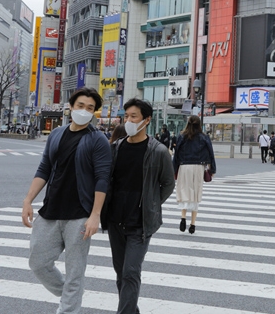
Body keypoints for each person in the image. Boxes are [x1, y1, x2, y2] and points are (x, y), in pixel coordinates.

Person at [21, 87, 111, 314]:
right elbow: (44, 168)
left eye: (90, 108)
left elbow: (102, 179)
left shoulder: (97, 139)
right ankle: (71, 294)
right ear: (71, 106)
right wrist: (28, 200)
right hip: (51, 209)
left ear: (94, 113)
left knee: (75, 271)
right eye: (80, 106)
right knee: (38, 262)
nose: (84, 110)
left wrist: (95, 215)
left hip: (80, 214)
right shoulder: (57, 134)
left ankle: (70, 306)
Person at [101, 98, 175, 314]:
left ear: (147, 120)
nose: (129, 121)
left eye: (134, 116)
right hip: (116, 220)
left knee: (131, 272)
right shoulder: (115, 148)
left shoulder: (158, 151)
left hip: (140, 223)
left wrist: (151, 204)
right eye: (126, 116)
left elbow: (168, 184)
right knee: (120, 272)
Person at [172, 115, 216, 234]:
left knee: (184, 192)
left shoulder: (182, 136)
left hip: (184, 166)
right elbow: (211, 154)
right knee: (195, 194)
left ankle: (183, 218)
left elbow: (176, 154)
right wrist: (212, 170)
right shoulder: (204, 137)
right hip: (198, 167)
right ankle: (193, 224)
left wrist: (173, 169)